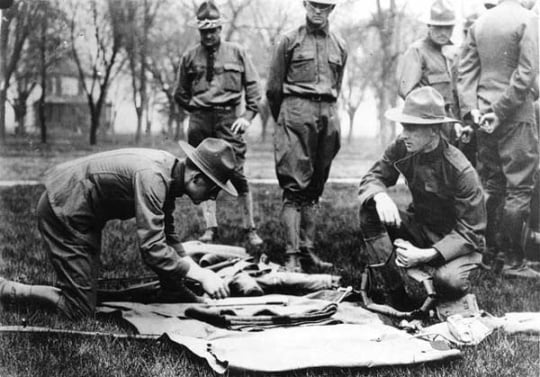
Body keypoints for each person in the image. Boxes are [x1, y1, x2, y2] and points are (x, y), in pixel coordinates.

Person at [0, 138, 236, 319]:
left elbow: (166, 233)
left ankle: (172, 290)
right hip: (63, 211)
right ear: (196, 178)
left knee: (84, 292)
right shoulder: (153, 177)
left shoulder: (170, 171)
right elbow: (152, 249)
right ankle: (7, 288)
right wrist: (200, 274)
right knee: (79, 309)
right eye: (213, 189)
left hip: (82, 212)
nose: (212, 197)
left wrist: (179, 285)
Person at [357, 87, 486, 311]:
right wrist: (379, 194)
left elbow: (471, 231)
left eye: (412, 128)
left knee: (448, 282)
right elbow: (373, 176)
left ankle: (438, 271)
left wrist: (425, 255)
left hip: (458, 242)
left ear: (434, 131)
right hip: (421, 228)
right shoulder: (403, 147)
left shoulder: (460, 170)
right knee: (369, 209)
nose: (404, 133)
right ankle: (395, 293)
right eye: (404, 126)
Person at [457, 0, 539, 278]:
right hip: (515, 115)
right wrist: (501, 111)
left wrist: (474, 111)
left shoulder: (480, 22)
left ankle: (490, 254)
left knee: (493, 184)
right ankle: (514, 261)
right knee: (519, 187)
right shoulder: (528, 19)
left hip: (484, 117)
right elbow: (526, 74)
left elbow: (465, 73)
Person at [266, 0, 347, 272]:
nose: (317, 11)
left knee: (315, 185)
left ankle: (307, 249)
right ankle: (291, 255)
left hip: (328, 114)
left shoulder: (340, 45)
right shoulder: (289, 40)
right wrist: (288, 117)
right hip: (296, 110)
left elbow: (338, 84)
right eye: (313, 4)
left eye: (324, 6)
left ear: (332, 9)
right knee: (294, 184)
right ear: (304, 4)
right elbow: (273, 89)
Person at [174, 0, 263, 246]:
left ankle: (250, 229)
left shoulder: (237, 52)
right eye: (204, 31)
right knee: (203, 175)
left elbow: (254, 88)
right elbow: (179, 92)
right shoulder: (190, 56)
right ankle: (210, 228)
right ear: (199, 31)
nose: (209, 35)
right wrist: (195, 109)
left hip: (228, 119)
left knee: (237, 173)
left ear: (221, 29)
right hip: (200, 121)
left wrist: (247, 116)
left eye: (213, 30)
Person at [397, 0, 460, 142]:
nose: (443, 33)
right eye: (438, 27)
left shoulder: (454, 53)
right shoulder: (418, 51)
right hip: (427, 124)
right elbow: (407, 91)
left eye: (448, 28)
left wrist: (456, 122)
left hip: (452, 123)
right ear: (429, 26)